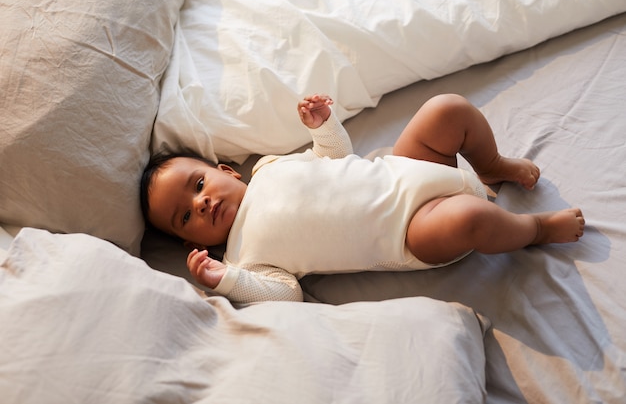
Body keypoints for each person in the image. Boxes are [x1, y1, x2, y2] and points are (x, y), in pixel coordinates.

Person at [141, 93, 585, 303]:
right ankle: (536, 229)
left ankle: (491, 165)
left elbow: (334, 156)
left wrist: (321, 125)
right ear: (189, 242)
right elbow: (286, 294)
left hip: (409, 167)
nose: (200, 204)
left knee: (446, 110)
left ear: (223, 170)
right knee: (470, 217)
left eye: (197, 186)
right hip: (414, 230)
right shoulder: (243, 259)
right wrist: (224, 280)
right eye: (184, 217)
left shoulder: (269, 168)